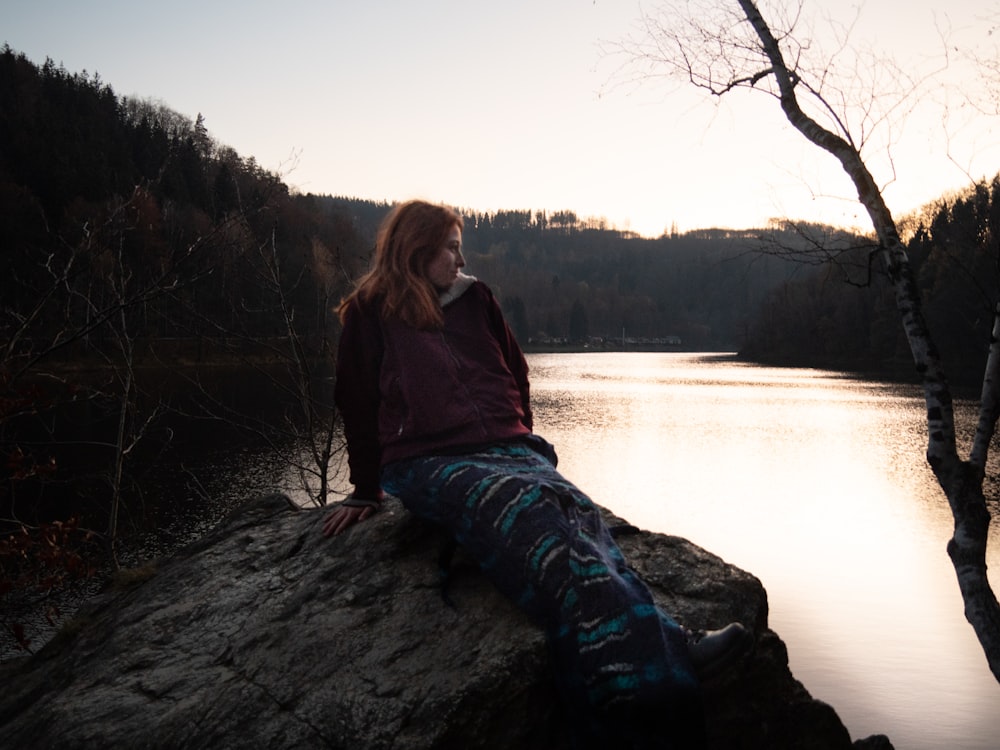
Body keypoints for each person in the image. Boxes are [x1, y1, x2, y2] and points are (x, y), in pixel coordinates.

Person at [323, 200, 751, 749]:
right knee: (538, 529)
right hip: (429, 458)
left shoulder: (475, 299)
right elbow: (356, 401)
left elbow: (515, 372)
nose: (460, 258)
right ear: (417, 247)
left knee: (581, 520)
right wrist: (364, 489)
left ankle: (656, 650)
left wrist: (522, 440)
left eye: (460, 247)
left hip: (508, 445)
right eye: (451, 247)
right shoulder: (371, 311)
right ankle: (657, 666)